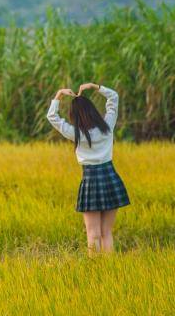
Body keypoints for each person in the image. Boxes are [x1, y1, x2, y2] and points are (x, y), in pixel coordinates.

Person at [47, 82, 130, 253]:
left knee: (93, 234)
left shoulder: (76, 133)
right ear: (93, 110)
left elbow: (52, 117)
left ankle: (95, 272)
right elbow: (114, 97)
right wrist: (95, 86)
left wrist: (59, 95)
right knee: (106, 232)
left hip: (90, 181)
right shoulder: (107, 126)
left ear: (74, 115)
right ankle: (110, 271)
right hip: (110, 178)